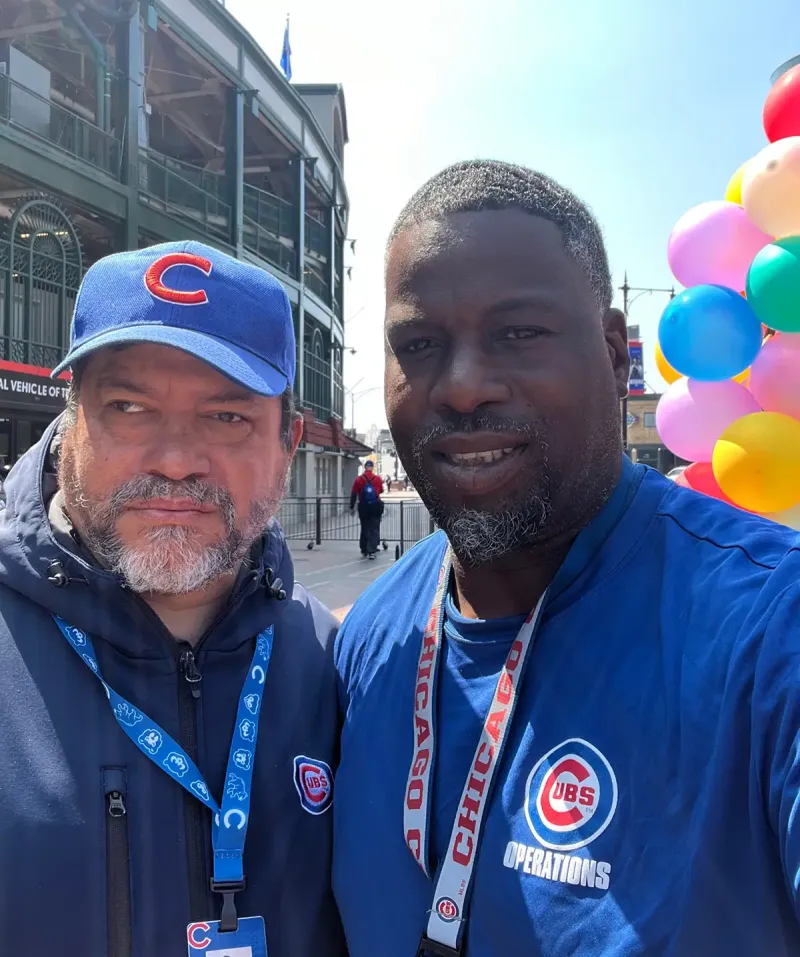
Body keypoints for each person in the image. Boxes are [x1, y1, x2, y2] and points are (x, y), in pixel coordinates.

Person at [333, 160, 800, 956]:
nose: (464, 387)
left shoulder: (769, 621)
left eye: (519, 333)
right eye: (420, 343)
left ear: (618, 356)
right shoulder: (367, 639)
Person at [0, 241, 345, 956]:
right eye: (129, 406)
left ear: (289, 440)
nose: (177, 458)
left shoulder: (333, 664)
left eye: (227, 417)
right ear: (71, 423)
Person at [350, 460, 383, 559]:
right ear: (372, 467)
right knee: (374, 527)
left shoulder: (359, 479)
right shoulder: (377, 479)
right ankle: (372, 550)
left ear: (365, 467)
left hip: (363, 506)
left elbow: (354, 494)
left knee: (364, 527)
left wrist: (352, 507)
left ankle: (364, 548)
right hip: (375, 506)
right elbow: (381, 491)